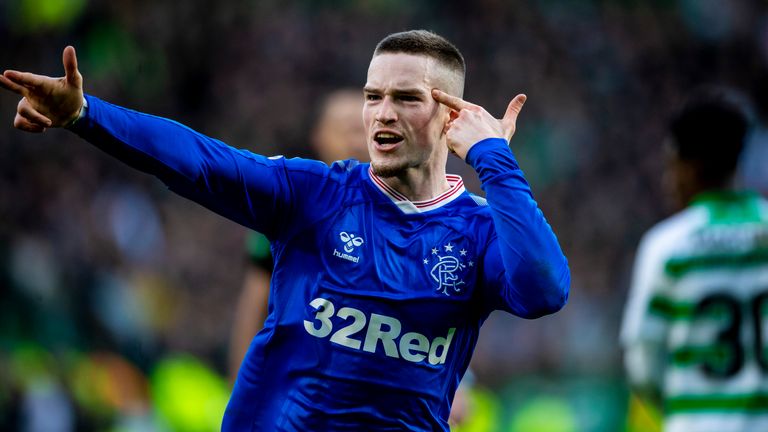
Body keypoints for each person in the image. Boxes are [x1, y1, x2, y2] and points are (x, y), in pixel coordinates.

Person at [1, 30, 570, 431]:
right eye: (374, 96)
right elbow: (199, 160)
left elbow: (545, 291)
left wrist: (494, 158)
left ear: (451, 118)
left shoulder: (477, 233)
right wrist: (86, 114)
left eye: (405, 98)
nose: (381, 115)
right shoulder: (314, 195)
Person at [620, 88, 768, 432]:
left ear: (692, 166)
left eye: (671, 165)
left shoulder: (669, 245)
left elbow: (642, 363)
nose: (668, 180)